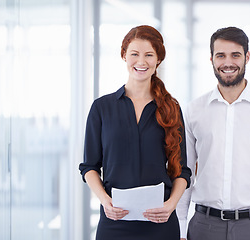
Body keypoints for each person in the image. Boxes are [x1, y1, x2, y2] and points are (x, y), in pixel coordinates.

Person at [176, 27, 250, 240]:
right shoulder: (194, 110)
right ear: (211, 59)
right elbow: (184, 173)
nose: (228, 63)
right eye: (220, 55)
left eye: (235, 55)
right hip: (204, 226)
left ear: (247, 57)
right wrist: (180, 227)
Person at [79, 25, 191, 240]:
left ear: (158, 59)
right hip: (114, 222)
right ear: (124, 56)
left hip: (161, 223)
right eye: (134, 54)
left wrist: (170, 205)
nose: (141, 61)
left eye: (149, 55)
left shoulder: (171, 108)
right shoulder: (102, 108)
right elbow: (89, 166)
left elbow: (182, 170)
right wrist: (104, 200)